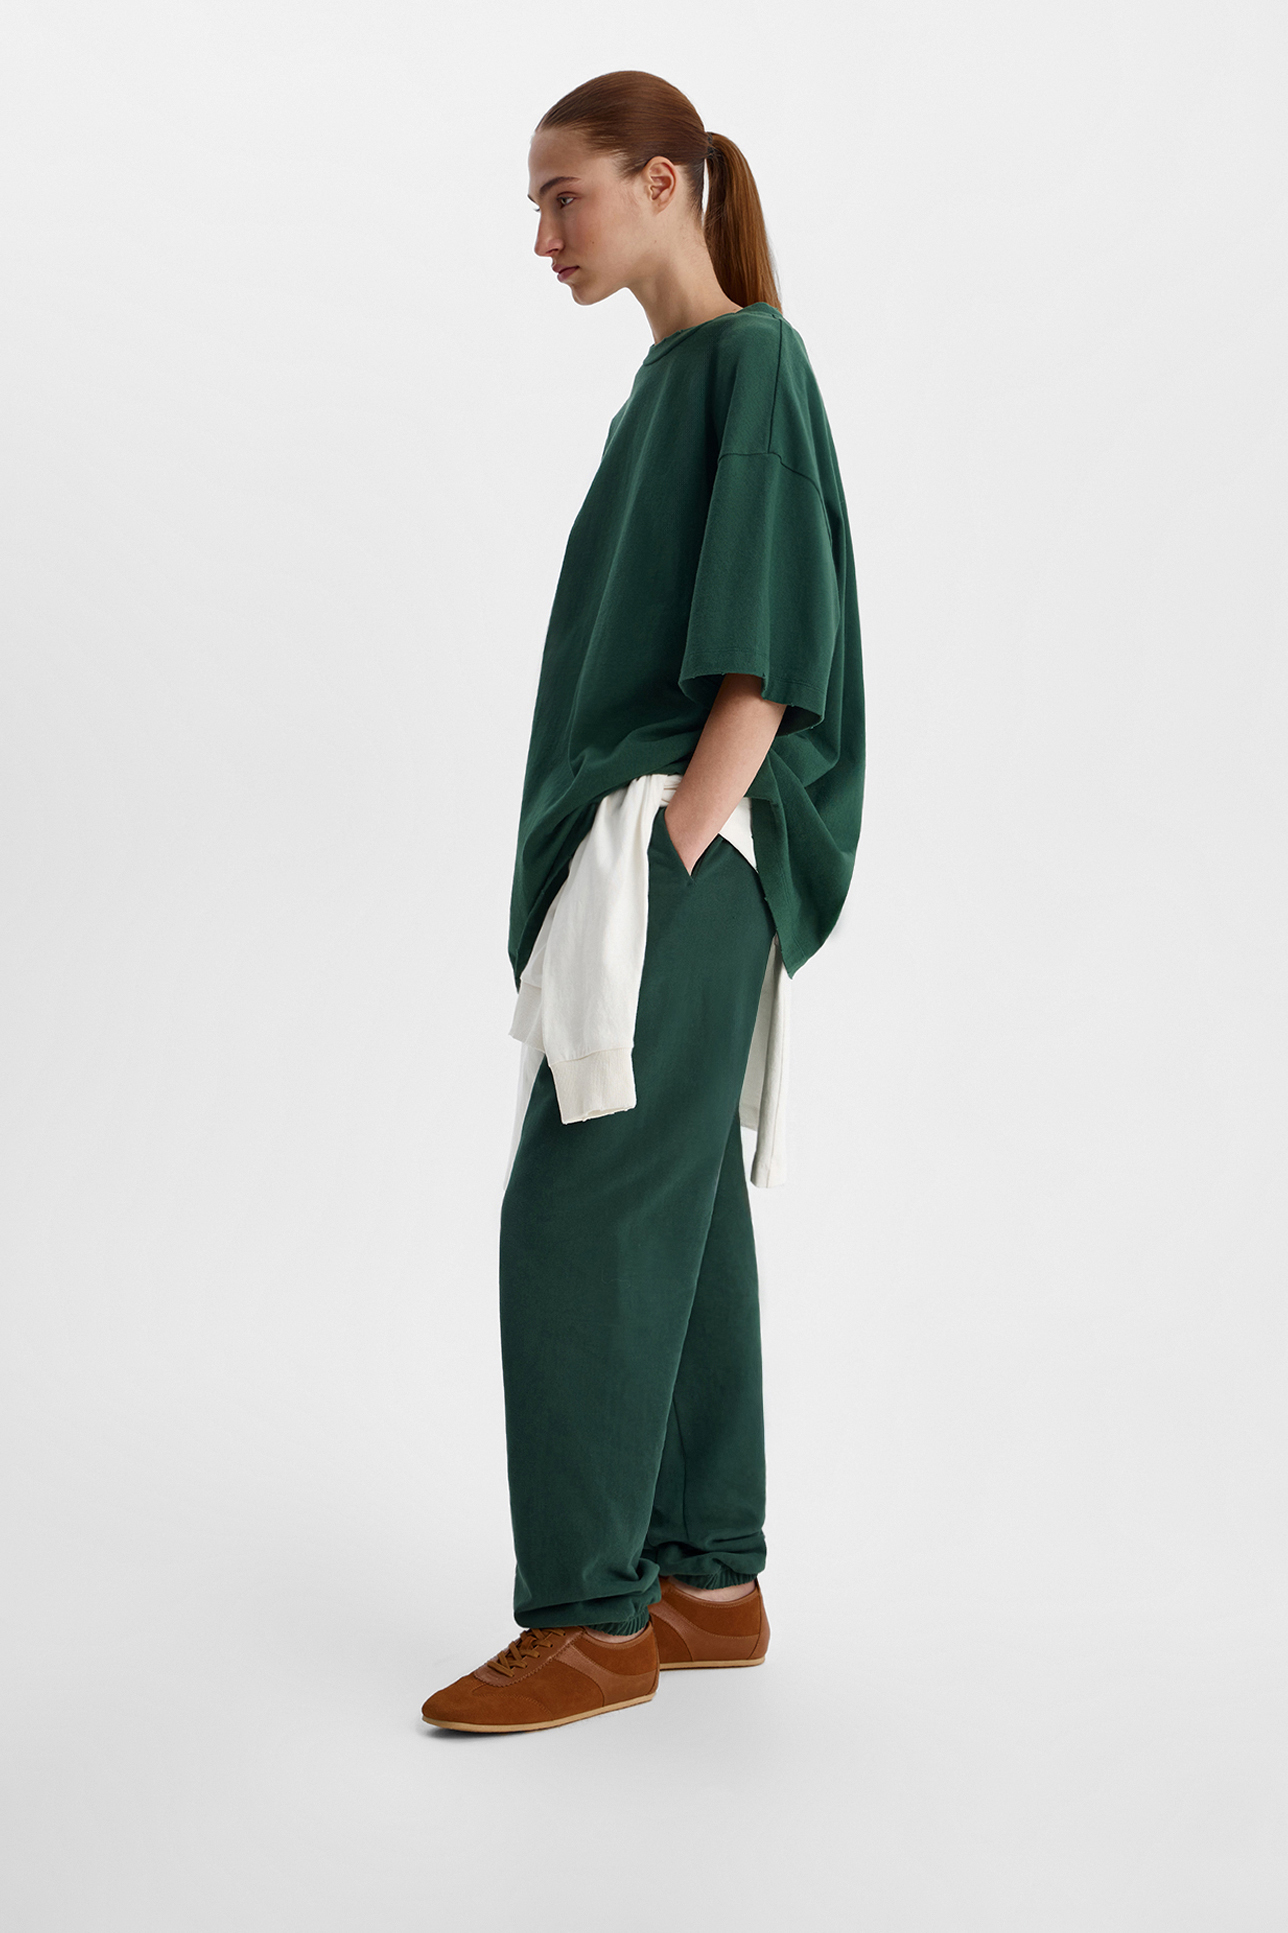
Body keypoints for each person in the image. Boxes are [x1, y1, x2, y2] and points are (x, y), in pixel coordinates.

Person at [421, 70, 865, 1734]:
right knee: (677, 1207)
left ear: (665, 182)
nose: (544, 235)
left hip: (688, 848)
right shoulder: (670, 384)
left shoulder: (752, 362)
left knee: (579, 1212)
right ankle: (707, 1580)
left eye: (567, 195)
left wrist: (678, 837)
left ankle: (589, 1617)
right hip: (664, 847)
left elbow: (772, 650)